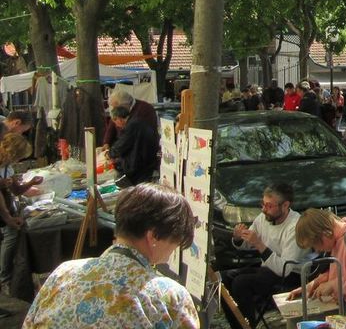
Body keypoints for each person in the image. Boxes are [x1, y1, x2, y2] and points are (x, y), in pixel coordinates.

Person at [23, 183, 198, 328]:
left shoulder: (63, 272)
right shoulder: (169, 295)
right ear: (153, 236)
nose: (174, 249)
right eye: (175, 240)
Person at [221, 183, 313, 329]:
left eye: (269, 206)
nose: (264, 209)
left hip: (291, 275)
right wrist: (239, 237)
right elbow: (249, 242)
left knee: (241, 283)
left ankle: (248, 324)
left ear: (285, 205)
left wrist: (259, 244)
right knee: (223, 279)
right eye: (262, 204)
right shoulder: (263, 218)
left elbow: (284, 269)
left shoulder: (295, 226)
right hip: (268, 269)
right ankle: (240, 324)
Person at [0, 129, 41, 292]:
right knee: (11, 234)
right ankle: (4, 276)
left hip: (6, 208)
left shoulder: (7, 167)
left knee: (11, 234)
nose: (19, 160)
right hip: (4, 209)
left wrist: (30, 183)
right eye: (19, 157)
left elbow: (15, 190)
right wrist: (9, 218)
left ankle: (6, 275)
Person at [107, 106, 160, 187]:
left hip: (140, 165)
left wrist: (110, 153)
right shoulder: (138, 121)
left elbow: (121, 145)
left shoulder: (131, 126)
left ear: (119, 119)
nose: (117, 125)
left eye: (115, 122)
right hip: (148, 162)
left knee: (138, 190)